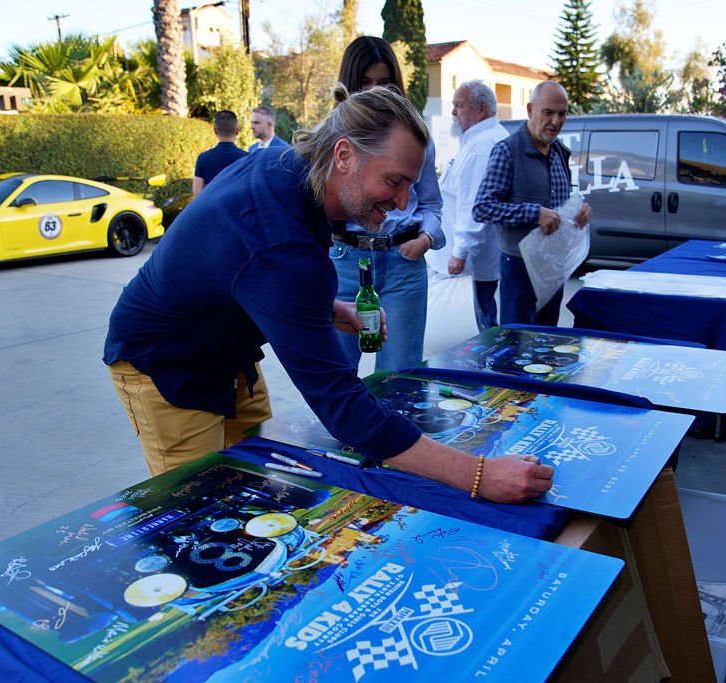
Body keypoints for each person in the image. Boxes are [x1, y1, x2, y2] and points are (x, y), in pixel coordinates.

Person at [103, 84, 552, 503]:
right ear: (343, 155)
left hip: (232, 353)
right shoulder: (279, 238)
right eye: (394, 181)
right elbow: (343, 407)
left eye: (411, 185)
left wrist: (320, 306)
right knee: (201, 508)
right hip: (167, 364)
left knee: (255, 488)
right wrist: (479, 474)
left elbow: (244, 269)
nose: (403, 203)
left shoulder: (291, 170)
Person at [330, 36, 444, 372]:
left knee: (401, 377)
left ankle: (398, 428)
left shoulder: (416, 138)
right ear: (349, 85)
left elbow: (432, 204)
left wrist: (426, 239)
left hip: (402, 263)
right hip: (344, 261)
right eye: (364, 83)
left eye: (384, 82)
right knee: (335, 375)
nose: (375, 92)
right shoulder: (333, 139)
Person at [473, 81, 592, 326]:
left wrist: (578, 210)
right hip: (519, 265)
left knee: (547, 344)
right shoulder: (507, 151)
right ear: (530, 110)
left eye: (562, 114)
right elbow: (482, 207)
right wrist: (534, 214)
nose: (556, 121)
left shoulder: (560, 152)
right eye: (548, 112)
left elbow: (559, 204)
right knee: (516, 347)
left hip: (553, 263)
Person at [436, 80, 508, 331]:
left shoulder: (481, 146)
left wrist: (459, 253)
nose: (453, 112)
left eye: (459, 105)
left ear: (481, 108)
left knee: (479, 328)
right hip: (477, 261)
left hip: (473, 263)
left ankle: (487, 370)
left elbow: (474, 207)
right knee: (482, 320)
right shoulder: (481, 139)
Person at [193, 110, 247, 197]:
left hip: (212, 209)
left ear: (215, 130)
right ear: (237, 131)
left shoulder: (203, 158)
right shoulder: (247, 158)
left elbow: (197, 192)